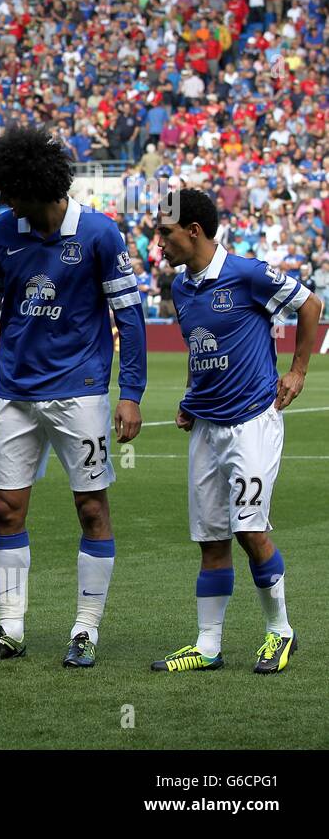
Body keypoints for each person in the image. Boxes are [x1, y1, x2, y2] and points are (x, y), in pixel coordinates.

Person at [0, 126, 148, 667]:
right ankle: (11, 629)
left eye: (13, 192)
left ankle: (86, 630)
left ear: (44, 187)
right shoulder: (2, 233)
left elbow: (129, 316)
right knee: (6, 509)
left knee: (91, 508)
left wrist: (131, 392)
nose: (6, 201)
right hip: (16, 393)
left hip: (82, 393)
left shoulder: (100, 234)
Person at [151, 189, 321, 674]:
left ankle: (279, 632)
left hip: (251, 421)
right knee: (211, 538)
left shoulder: (247, 274)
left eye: (165, 232)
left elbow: (310, 304)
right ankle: (207, 646)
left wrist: (298, 371)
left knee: (249, 529)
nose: (158, 243)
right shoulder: (182, 288)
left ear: (194, 231)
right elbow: (199, 351)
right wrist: (188, 401)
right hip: (206, 425)